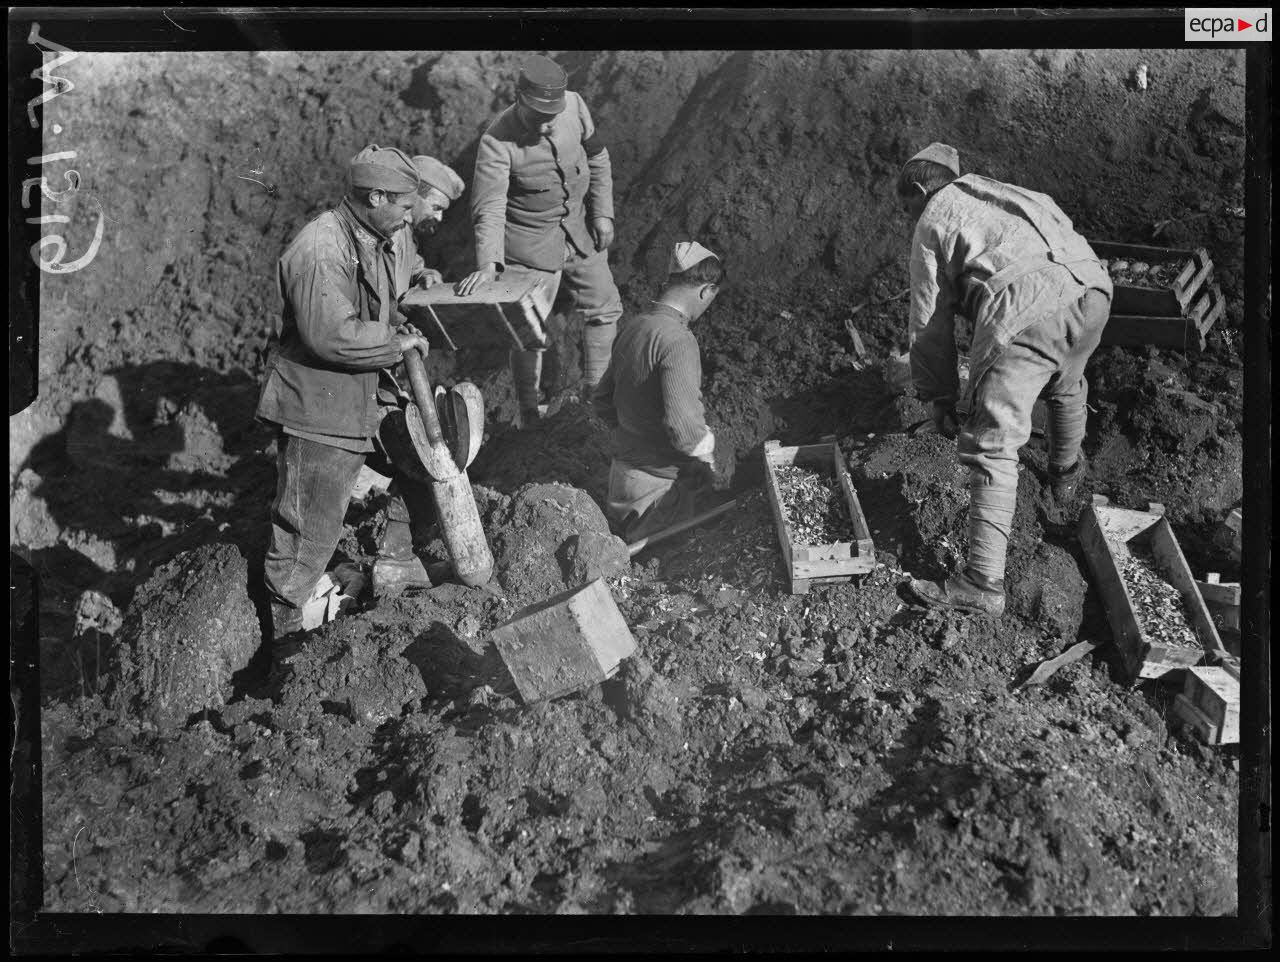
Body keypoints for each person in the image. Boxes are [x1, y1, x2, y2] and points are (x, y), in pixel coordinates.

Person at [896, 142, 1113, 616]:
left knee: (992, 441)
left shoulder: (934, 217)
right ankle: (1064, 474)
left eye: (906, 207)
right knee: (1066, 382)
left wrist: (940, 398)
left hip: (1029, 308)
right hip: (1093, 287)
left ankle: (981, 583)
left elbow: (929, 322)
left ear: (917, 190)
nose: (910, 217)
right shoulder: (1005, 193)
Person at [255, 144, 454, 641]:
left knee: (422, 458)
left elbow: (381, 303)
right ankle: (283, 640)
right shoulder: (322, 248)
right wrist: (394, 341)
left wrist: (401, 321)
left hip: (364, 390)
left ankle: (395, 562)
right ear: (377, 195)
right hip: (319, 406)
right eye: (406, 206)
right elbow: (330, 334)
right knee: (310, 531)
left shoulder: (374, 236)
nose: (410, 217)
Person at [457, 54, 623, 426]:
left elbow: (598, 158)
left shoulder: (576, 106)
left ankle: (599, 403)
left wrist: (603, 212)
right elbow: (489, 208)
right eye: (539, 116)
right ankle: (530, 415)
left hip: (578, 231)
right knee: (528, 329)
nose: (548, 124)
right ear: (519, 99)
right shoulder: (496, 143)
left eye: (553, 115)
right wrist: (489, 265)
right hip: (528, 245)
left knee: (605, 307)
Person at [593, 241, 723, 542]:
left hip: (621, 482)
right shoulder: (677, 341)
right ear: (705, 291)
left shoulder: (635, 326)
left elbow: (602, 401)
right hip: (659, 496)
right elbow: (684, 429)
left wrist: (636, 432)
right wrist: (707, 461)